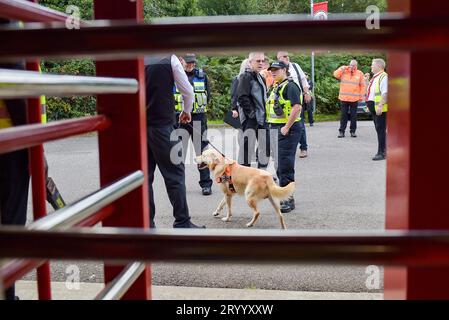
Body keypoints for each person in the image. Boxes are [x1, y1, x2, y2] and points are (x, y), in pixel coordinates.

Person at [144, 54, 205, 228]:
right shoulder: (168, 59)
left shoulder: (136, 58)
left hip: (140, 127)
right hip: (163, 126)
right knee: (175, 174)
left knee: (145, 178)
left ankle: (148, 225)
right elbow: (187, 90)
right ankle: (182, 221)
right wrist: (186, 111)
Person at [0, 61, 30, 300]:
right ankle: (7, 294)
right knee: (11, 224)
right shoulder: (10, 41)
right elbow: (18, 98)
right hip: (11, 144)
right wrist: (36, 147)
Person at [265, 60, 303, 213]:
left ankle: (288, 200)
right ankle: (284, 194)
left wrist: (286, 127)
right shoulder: (276, 86)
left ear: (285, 70)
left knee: (285, 165)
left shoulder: (291, 86)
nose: (273, 72)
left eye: (277, 70)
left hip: (288, 130)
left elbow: (297, 107)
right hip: (276, 128)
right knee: (280, 165)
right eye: (272, 70)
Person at [174, 53, 213, 196]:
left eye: (193, 62)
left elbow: (207, 96)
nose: (190, 65)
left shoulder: (202, 76)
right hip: (179, 120)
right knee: (179, 155)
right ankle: (179, 185)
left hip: (198, 120)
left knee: (202, 154)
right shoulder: (174, 76)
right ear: (181, 61)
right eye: (188, 62)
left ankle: (206, 184)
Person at [236, 52, 270, 169]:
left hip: (262, 118)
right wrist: (252, 114)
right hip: (251, 119)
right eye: (258, 61)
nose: (261, 63)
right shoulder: (246, 77)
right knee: (247, 149)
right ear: (250, 62)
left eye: (262, 61)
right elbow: (241, 97)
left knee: (265, 146)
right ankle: (243, 177)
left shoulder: (260, 76)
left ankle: (262, 174)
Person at [277, 51, 310, 158]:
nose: (287, 58)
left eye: (287, 56)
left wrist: (307, 93)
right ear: (278, 58)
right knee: (286, 124)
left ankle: (303, 148)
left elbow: (303, 80)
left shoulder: (295, 66)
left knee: (299, 123)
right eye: (284, 56)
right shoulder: (277, 68)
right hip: (282, 102)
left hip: (296, 100)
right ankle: (286, 146)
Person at [333, 59, 366, 138]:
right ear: (349, 64)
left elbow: (363, 86)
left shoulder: (360, 73)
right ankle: (341, 131)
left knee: (353, 116)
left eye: (354, 65)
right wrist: (342, 68)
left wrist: (361, 96)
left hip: (354, 99)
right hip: (344, 98)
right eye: (351, 65)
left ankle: (353, 131)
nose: (352, 66)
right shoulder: (344, 71)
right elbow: (335, 74)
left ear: (356, 66)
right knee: (343, 115)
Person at [366, 58, 388, 161]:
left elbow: (385, 93)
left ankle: (381, 153)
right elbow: (371, 93)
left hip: (380, 108)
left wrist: (380, 105)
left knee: (380, 130)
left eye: (372, 65)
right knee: (379, 130)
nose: (371, 66)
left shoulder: (383, 77)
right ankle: (385, 150)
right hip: (375, 108)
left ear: (379, 66)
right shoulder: (375, 77)